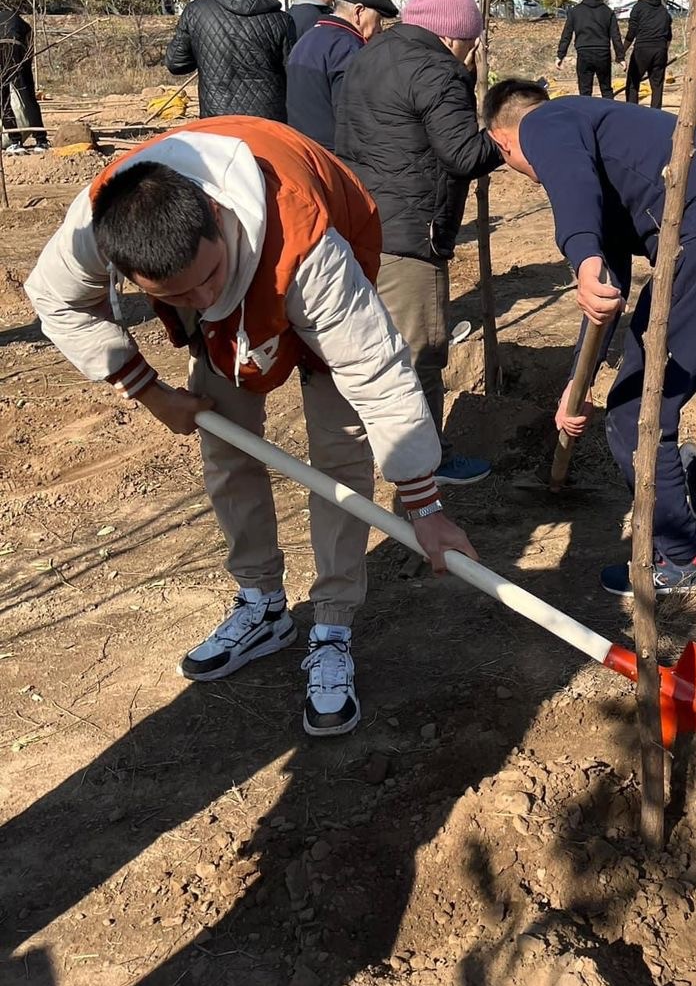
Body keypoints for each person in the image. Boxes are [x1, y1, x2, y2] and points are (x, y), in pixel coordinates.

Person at [24, 117, 476, 738]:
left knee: (339, 453)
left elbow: (376, 370)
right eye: (179, 293)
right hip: (233, 286)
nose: (205, 295)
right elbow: (54, 300)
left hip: (321, 248)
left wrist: (424, 505)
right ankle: (263, 605)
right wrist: (147, 389)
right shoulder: (99, 221)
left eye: (210, 276)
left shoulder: (309, 244)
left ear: (215, 212)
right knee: (224, 438)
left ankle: (333, 625)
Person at [483, 78, 696, 596]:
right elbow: (612, 281)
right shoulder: (601, 133)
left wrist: (580, 257)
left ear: (502, 142)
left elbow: (572, 191)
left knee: (634, 412)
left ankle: (677, 555)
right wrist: (575, 386)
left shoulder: (546, 123)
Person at [336, 0, 501, 486]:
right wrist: (508, 138)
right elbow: (462, 153)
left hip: (361, 225)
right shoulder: (437, 70)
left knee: (371, 343)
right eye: (469, 42)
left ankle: (374, 441)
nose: (470, 52)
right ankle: (426, 462)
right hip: (411, 233)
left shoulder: (370, 55)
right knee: (420, 350)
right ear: (453, 33)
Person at [166, 0, 296, 122]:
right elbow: (294, 75)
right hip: (268, 122)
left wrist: (203, 51)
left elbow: (176, 63)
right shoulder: (282, 20)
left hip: (217, 119)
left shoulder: (196, 11)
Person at [286, 0, 398, 150]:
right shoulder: (348, 48)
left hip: (302, 149)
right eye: (378, 20)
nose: (379, 28)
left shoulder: (307, 39)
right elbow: (354, 118)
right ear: (359, 12)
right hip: (335, 156)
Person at [556, 0, 623, 97]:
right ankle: (609, 114)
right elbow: (615, 35)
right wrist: (620, 57)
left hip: (584, 52)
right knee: (606, 89)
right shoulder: (607, 11)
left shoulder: (575, 11)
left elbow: (566, 34)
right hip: (603, 53)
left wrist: (560, 55)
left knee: (585, 90)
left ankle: (586, 114)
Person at [0, 1, 46, 153]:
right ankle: (41, 141)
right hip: (18, 49)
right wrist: (25, 69)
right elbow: (29, 50)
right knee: (28, 96)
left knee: (3, 98)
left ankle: (15, 142)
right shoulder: (23, 23)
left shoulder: (11, 21)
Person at [623, 0, 672, 109]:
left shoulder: (638, 7)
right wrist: (664, 49)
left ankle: (632, 111)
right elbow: (669, 33)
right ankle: (656, 113)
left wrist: (622, 51)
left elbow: (631, 32)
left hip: (643, 49)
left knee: (633, 82)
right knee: (657, 84)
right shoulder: (663, 9)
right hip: (660, 50)